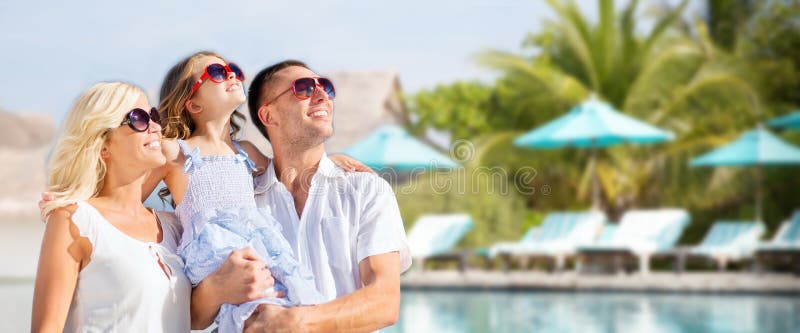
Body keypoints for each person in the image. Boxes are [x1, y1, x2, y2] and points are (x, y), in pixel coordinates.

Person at [145, 51, 373, 332]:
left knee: (286, 300)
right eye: (217, 72)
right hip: (215, 250)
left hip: (258, 244)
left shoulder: (247, 152)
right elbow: (129, 192)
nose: (230, 74)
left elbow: (291, 168)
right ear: (192, 103)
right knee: (257, 310)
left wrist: (331, 161)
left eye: (233, 70)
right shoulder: (175, 151)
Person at [234, 60, 412, 332]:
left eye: (325, 86)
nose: (322, 95)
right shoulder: (242, 202)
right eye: (303, 88)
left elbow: (384, 300)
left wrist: (295, 322)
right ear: (269, 116)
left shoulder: (366, 190)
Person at [31, 82, 191, 332]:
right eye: (139, 118)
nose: (156, 127)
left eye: (154, 116)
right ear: (103, 145)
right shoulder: (74, 220)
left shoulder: (175, 227)